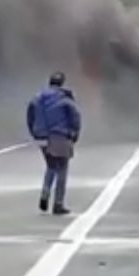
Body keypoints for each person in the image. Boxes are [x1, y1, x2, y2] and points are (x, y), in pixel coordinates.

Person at [27, 71, 81, 214]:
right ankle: (58, 204)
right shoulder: (65, 99)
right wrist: (74, 134)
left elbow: (30, 115)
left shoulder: (37, 98)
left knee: (51, 166)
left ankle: (45, 193)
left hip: (41, 137)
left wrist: (34, 133)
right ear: (62, 83)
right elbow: (75, 117)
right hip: (59, 136)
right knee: (62, 168)